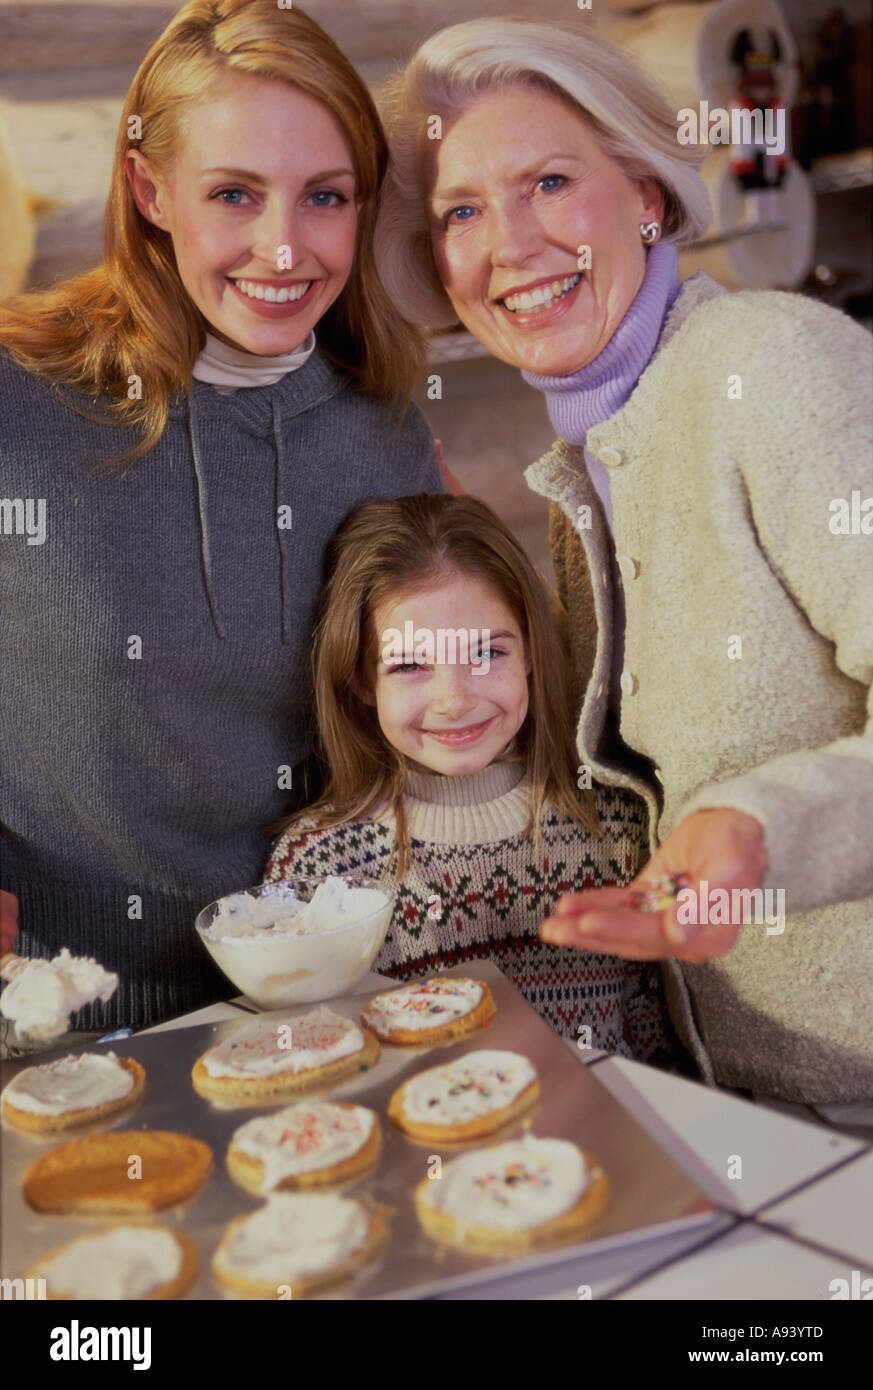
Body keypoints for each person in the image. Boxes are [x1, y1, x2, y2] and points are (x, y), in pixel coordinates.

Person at [374, 18, 873, 1108]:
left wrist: (765, 830)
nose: (507, 245)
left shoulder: (774, 366)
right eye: (463, 210)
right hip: (752, 1109)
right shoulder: (591, 456)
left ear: (646, 193)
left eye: (549, 181)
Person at [0, 0, 444, 1049]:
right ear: (151, 189)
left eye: (326, 197)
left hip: (325, 1018)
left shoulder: (386, 427)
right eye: (235, 194)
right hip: (59, 1035)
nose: (284, 248)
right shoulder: (18, 398)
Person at [264, 492, 679, 1064]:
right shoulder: (321, 867)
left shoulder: (614, 822)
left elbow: (654, 1043)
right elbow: (320, 1069)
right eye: (409, 665)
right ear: (360, 679)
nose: (454, 701)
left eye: (485, 653)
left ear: (532, 650)